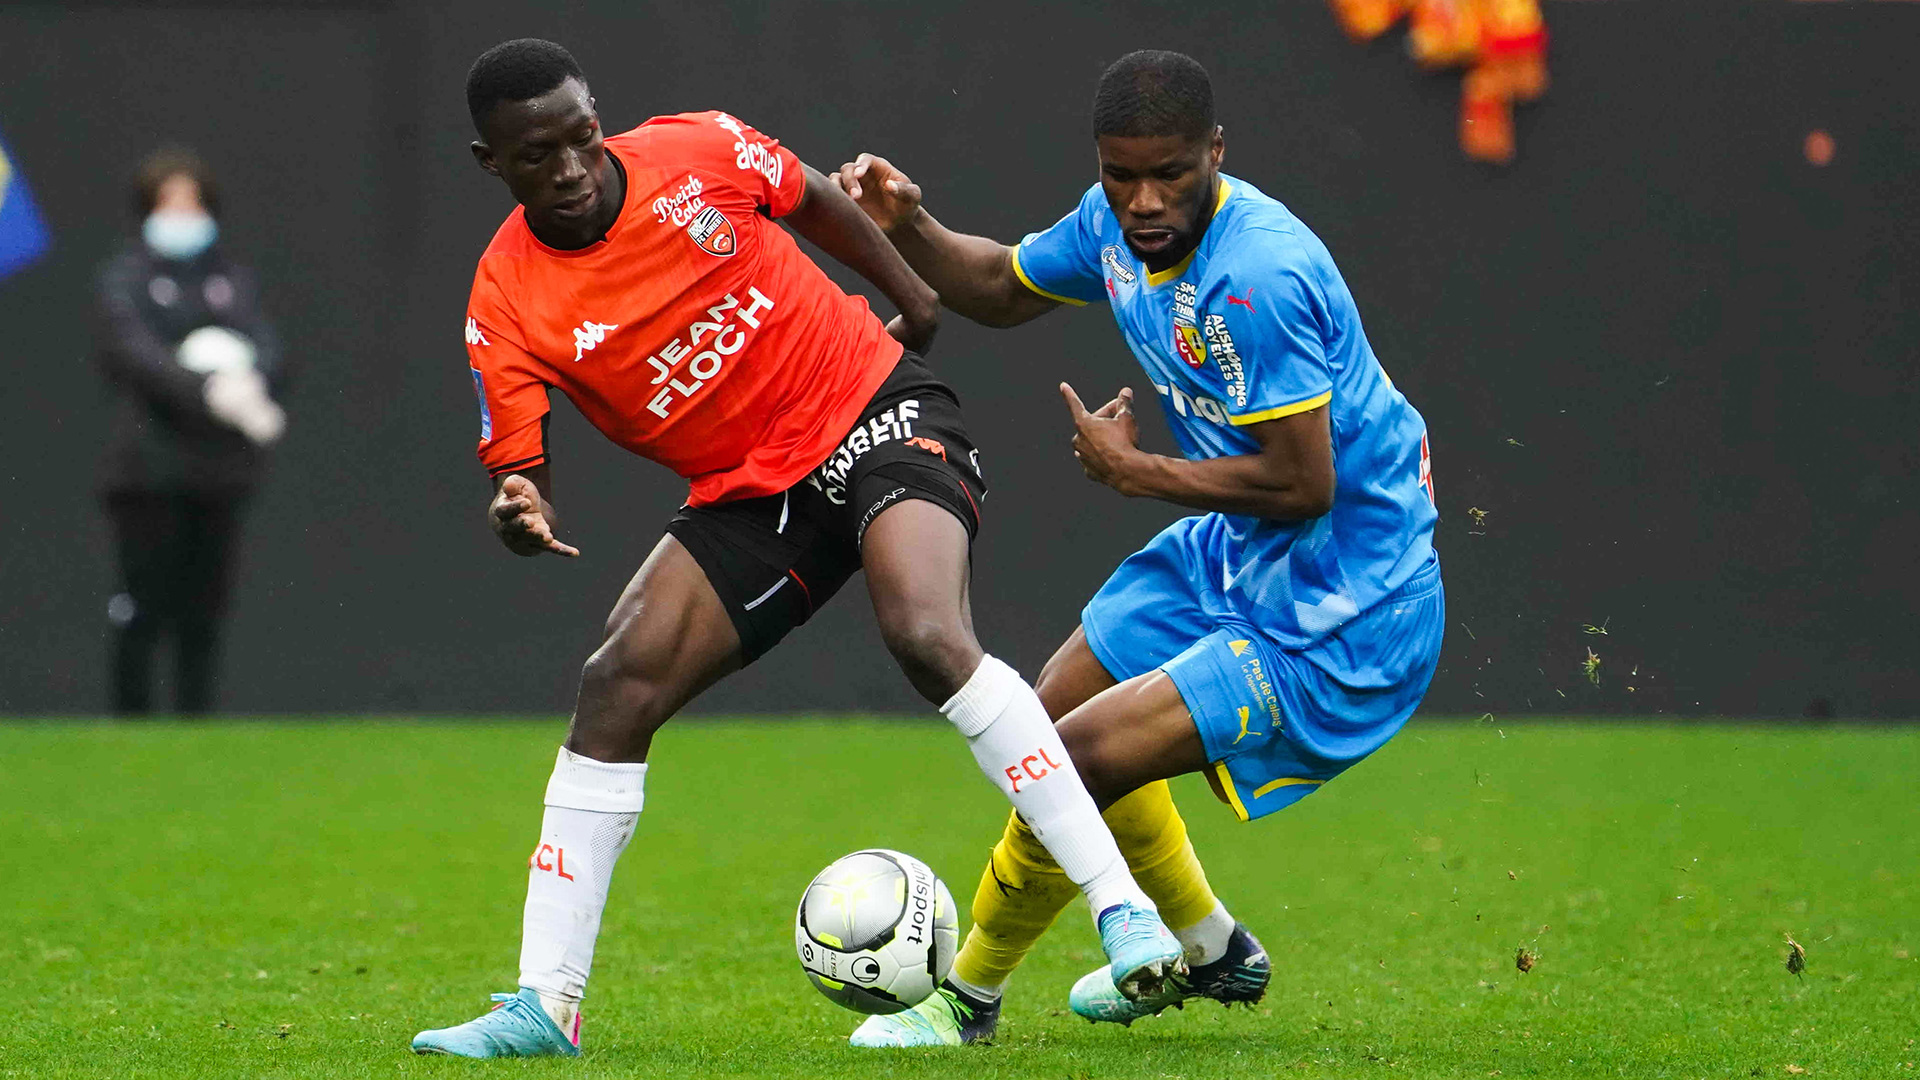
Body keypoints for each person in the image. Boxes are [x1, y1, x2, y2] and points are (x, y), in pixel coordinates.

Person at [409, 39, 1184, 1059]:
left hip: (875, 409)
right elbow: (521, 474)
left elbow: (810, 194)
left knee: (925, 632)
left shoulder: (695, 150)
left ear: (598, 117)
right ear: (488, 162)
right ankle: (544, 1006)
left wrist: (911, 292)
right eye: (533, 154)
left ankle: (1125, 913)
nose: (567, 166)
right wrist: (519, 510)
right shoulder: (505, 300)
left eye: (580, 137)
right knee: (615, 684)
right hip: (749, 494)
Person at [831, 49, 1444, 1046]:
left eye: (1171, 174)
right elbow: (996, 286)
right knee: (1046, 720)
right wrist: (910, 225)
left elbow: (1304, 484)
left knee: (1069, 759)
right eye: (1122, 175)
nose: (1144, 199)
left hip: (1348, 603)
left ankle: (967, 1000)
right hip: (1239, 547)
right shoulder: (1116, 227)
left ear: (1217, 152)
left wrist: (1135, 472)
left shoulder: (1260, 275)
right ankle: (1212, 949)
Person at [95, 147, 286, 716]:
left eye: (193, 202)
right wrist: (206, 389)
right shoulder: (126, 279)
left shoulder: (230, 280)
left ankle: (195, 729)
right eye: (168, 203)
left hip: (219, 472)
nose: (182, 214)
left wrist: (251, 383)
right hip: (147, 473)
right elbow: (132, 354)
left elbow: (269, 347)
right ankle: (130, 726)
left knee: (204, 610)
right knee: (143, 604)